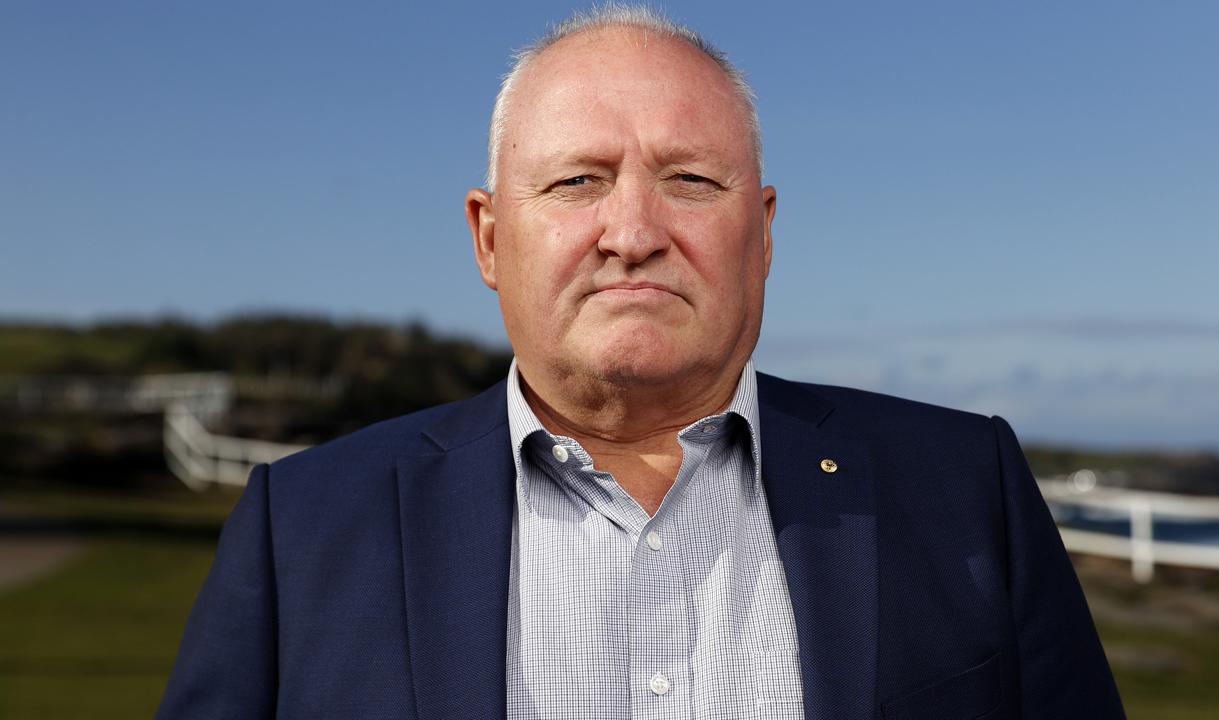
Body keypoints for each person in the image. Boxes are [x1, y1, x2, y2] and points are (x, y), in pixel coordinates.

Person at [157, 6, 1125, 719]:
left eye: (690, 182)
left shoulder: (961, 486)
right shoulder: (306, 524)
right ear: (489, 239)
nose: (631, 232)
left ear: (762, 233)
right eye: (576, 181)